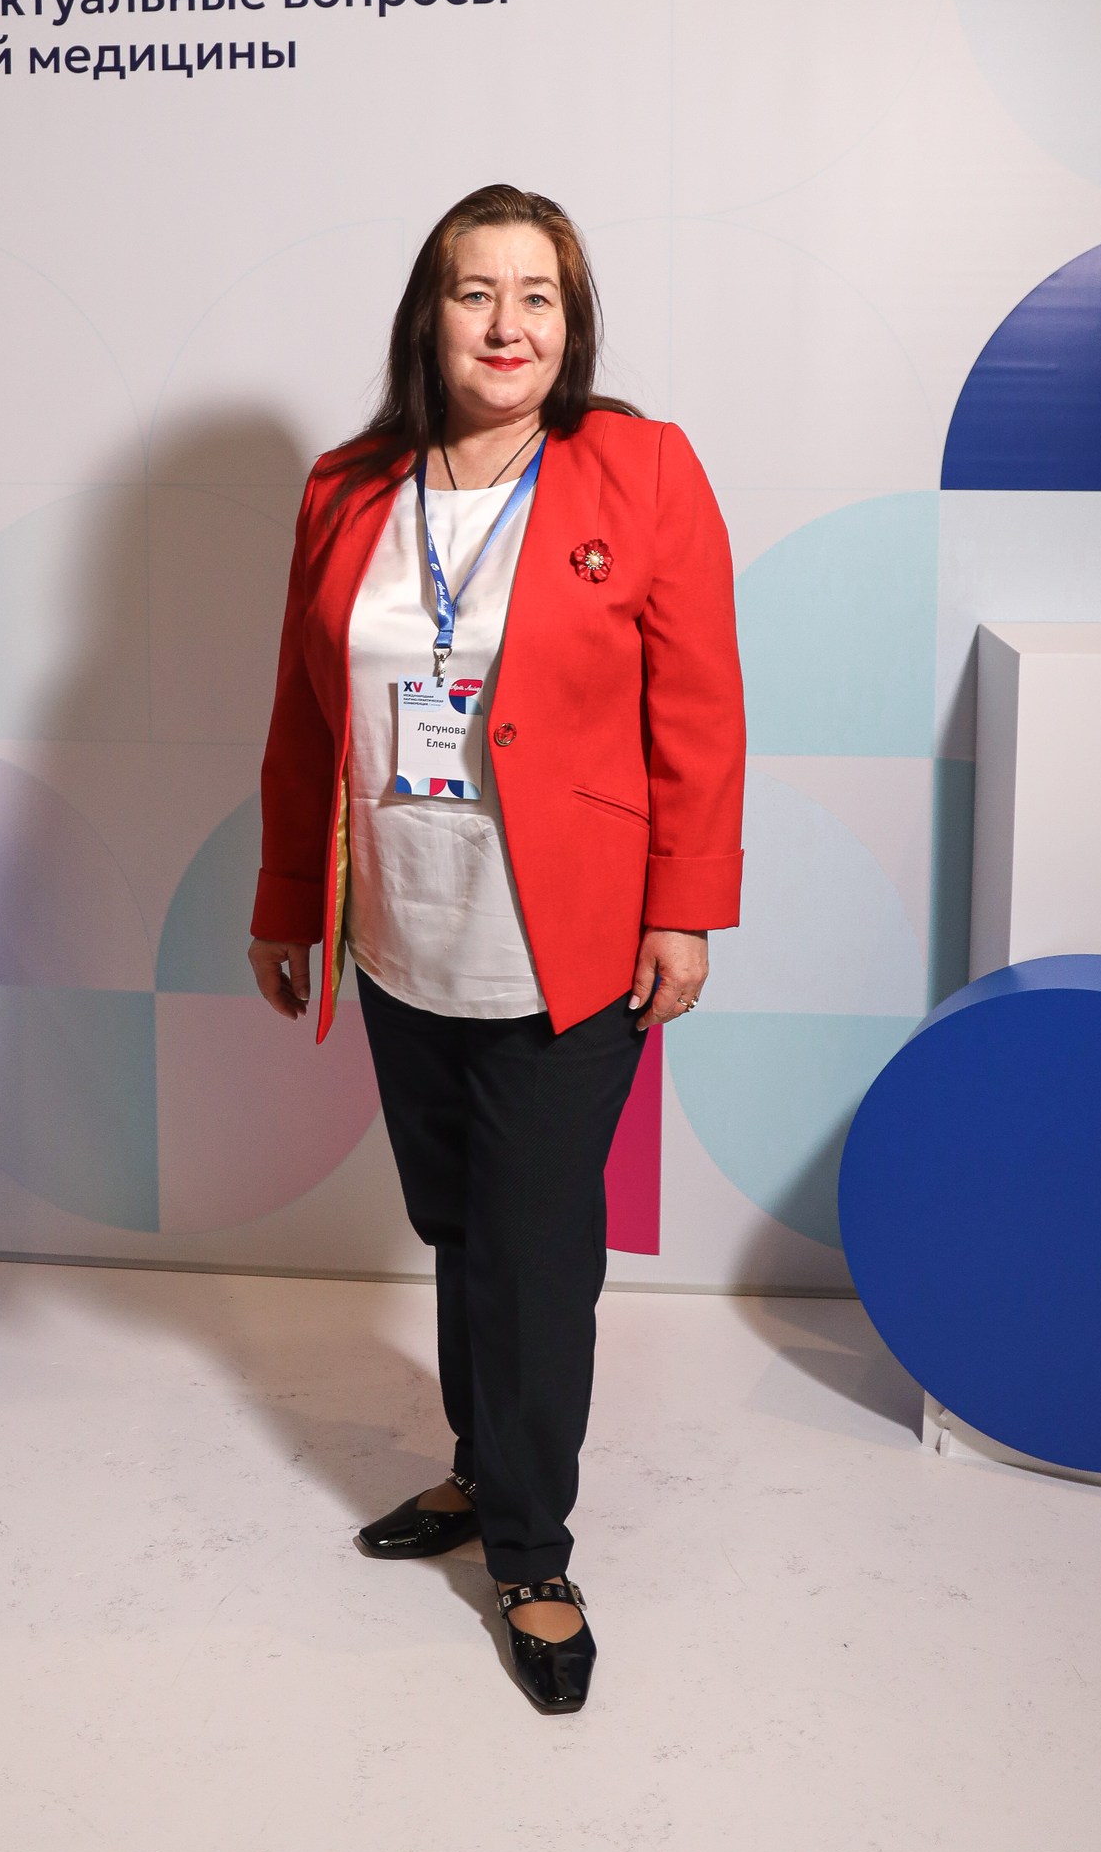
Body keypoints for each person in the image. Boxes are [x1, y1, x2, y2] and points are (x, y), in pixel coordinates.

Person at [248, 183, 744, 1713]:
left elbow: (700, 707)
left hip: (565, 944)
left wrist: (684, 904)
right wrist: (287, 897)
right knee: (461, 1224)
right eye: (478, 293)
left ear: (572, 325)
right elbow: (304, 716)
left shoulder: (641, 471)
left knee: (535, 1257)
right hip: (404, 929)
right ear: (432, 314)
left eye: (539, 297)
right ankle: (482, 1467)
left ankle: (532, 1554)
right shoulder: (347, 487)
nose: (508, 325)